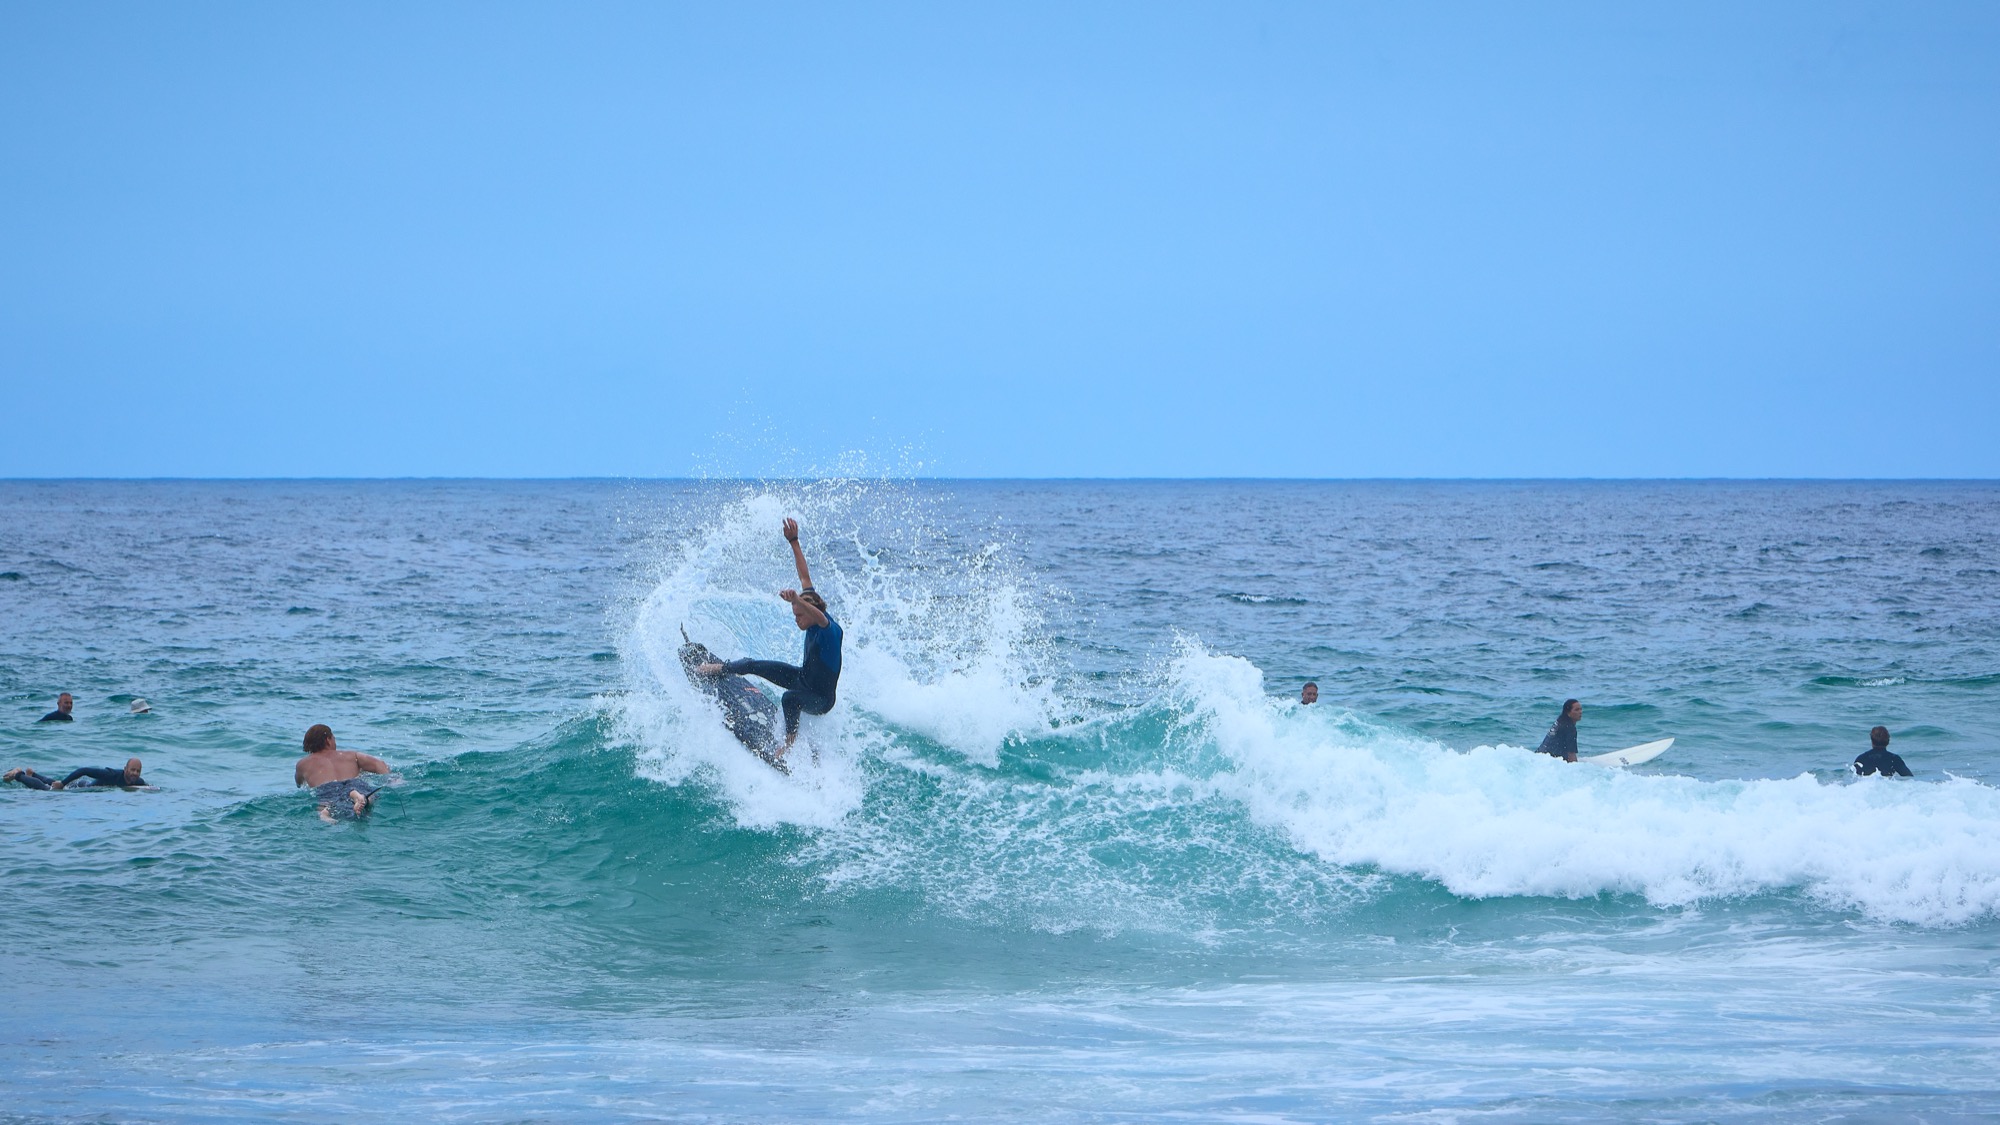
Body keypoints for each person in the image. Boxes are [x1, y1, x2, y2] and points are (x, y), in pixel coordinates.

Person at [697, 518, 843, 765]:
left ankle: (788, 744)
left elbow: (818, 616)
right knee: (753, 664)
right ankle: (720, 669)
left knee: (789, 699)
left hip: (821, 699)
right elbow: (805, 576)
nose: (796, 619)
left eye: (799, 615)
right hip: (803, 678)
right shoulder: (810, 600)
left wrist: (797, 600)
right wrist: (794, 541)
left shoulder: (830, 630)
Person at [294, 724, 391, 821]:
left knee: (328, 804)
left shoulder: (302, 764)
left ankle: (325, 813)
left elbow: (299, 784)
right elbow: (380, 765)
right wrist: (391, 779)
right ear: (328, 740)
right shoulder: (352, 756)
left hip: (327, 788)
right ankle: (358, 796)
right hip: (354, 784)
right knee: (369, 796)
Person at [4, 758, 146, 789]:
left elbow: (149, 787)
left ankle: (33, 774)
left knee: (56, 784)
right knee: (49, 790)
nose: (135, 773)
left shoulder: (138, 782)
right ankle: (18, 775)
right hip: (82, 787)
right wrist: (63, 783)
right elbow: (83, 770)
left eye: (138, 771)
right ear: (125, 769)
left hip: (83, 786)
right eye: (132, 769)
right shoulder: (111, 774)